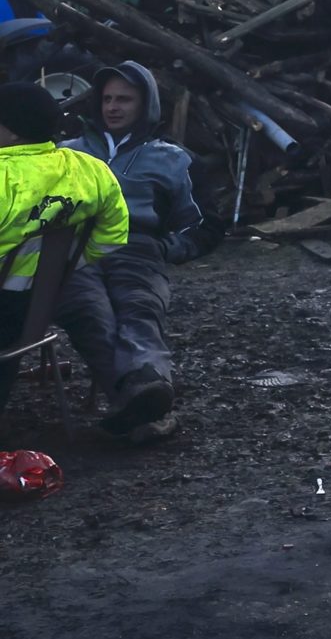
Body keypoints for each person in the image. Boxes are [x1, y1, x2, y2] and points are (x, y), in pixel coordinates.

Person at [53, 62, 210, 439]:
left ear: (146, 104)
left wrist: (167, 247)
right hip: (76, 248)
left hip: (136, 246)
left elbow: (204, 222)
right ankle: (146, 399)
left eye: (124, 99)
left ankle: (143, 401)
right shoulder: (67, 153)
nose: (113, 107)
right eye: (107, 98)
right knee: (89, 312)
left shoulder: (172, 159)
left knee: (138, 307)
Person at [0, 81, 127, 416]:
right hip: (33, 312)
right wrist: (64, 267)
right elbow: (113, 235)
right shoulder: (90, 169)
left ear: (13, 133)